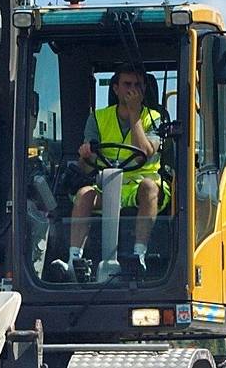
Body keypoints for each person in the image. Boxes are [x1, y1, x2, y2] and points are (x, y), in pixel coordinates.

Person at [65, 63, 167, 280]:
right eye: (126, 84)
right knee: (84, 194)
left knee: (150, 188)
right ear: (115, 89)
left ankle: (139, 255)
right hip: (108, 186)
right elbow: (86, 167)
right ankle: (73, 261)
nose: (131, 90)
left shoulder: (155, 118)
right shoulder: (98, 118)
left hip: (142, 187)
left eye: (137, 85)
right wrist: (85, 156)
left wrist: (134, 114)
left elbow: (145, 152)